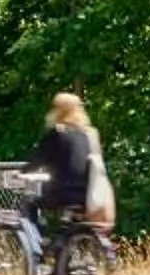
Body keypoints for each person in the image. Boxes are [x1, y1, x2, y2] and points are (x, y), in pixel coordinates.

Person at [23, 91, 113, 230]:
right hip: (87, 195)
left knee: (31, 204)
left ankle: (39, 243)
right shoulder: (88, 134)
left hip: (62, 194)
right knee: (69, 228)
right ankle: (63, 243)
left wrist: (23, 172)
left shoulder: (58, 133)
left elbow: (39, 159)